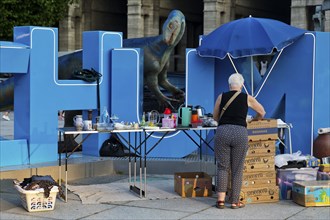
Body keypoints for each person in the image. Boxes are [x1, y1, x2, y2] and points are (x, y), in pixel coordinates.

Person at [213, 73, 265, 209]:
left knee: (222, 167)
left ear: (229, 85)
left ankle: (220, 201)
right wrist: (254, 119)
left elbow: (214, 116)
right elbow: (262, 112)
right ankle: (235, 201)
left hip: (222, 132)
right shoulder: (247, 98)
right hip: (240, 133)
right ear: (242, 85)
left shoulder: (221, 96)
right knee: (237, 169)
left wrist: (224, 123)